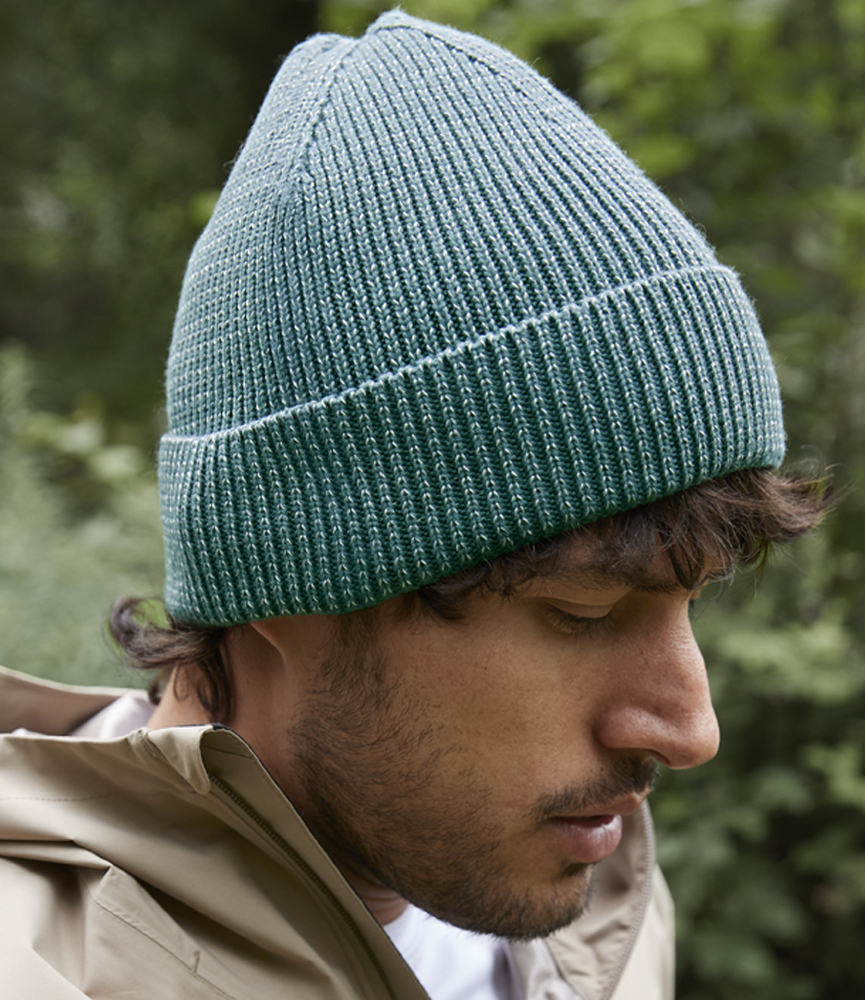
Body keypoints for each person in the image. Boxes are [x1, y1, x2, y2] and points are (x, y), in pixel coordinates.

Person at [0, 11, 828, 1000]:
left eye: (692, 602)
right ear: (288, 570)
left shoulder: (600, 916)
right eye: (582, 613)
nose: (691, 730)